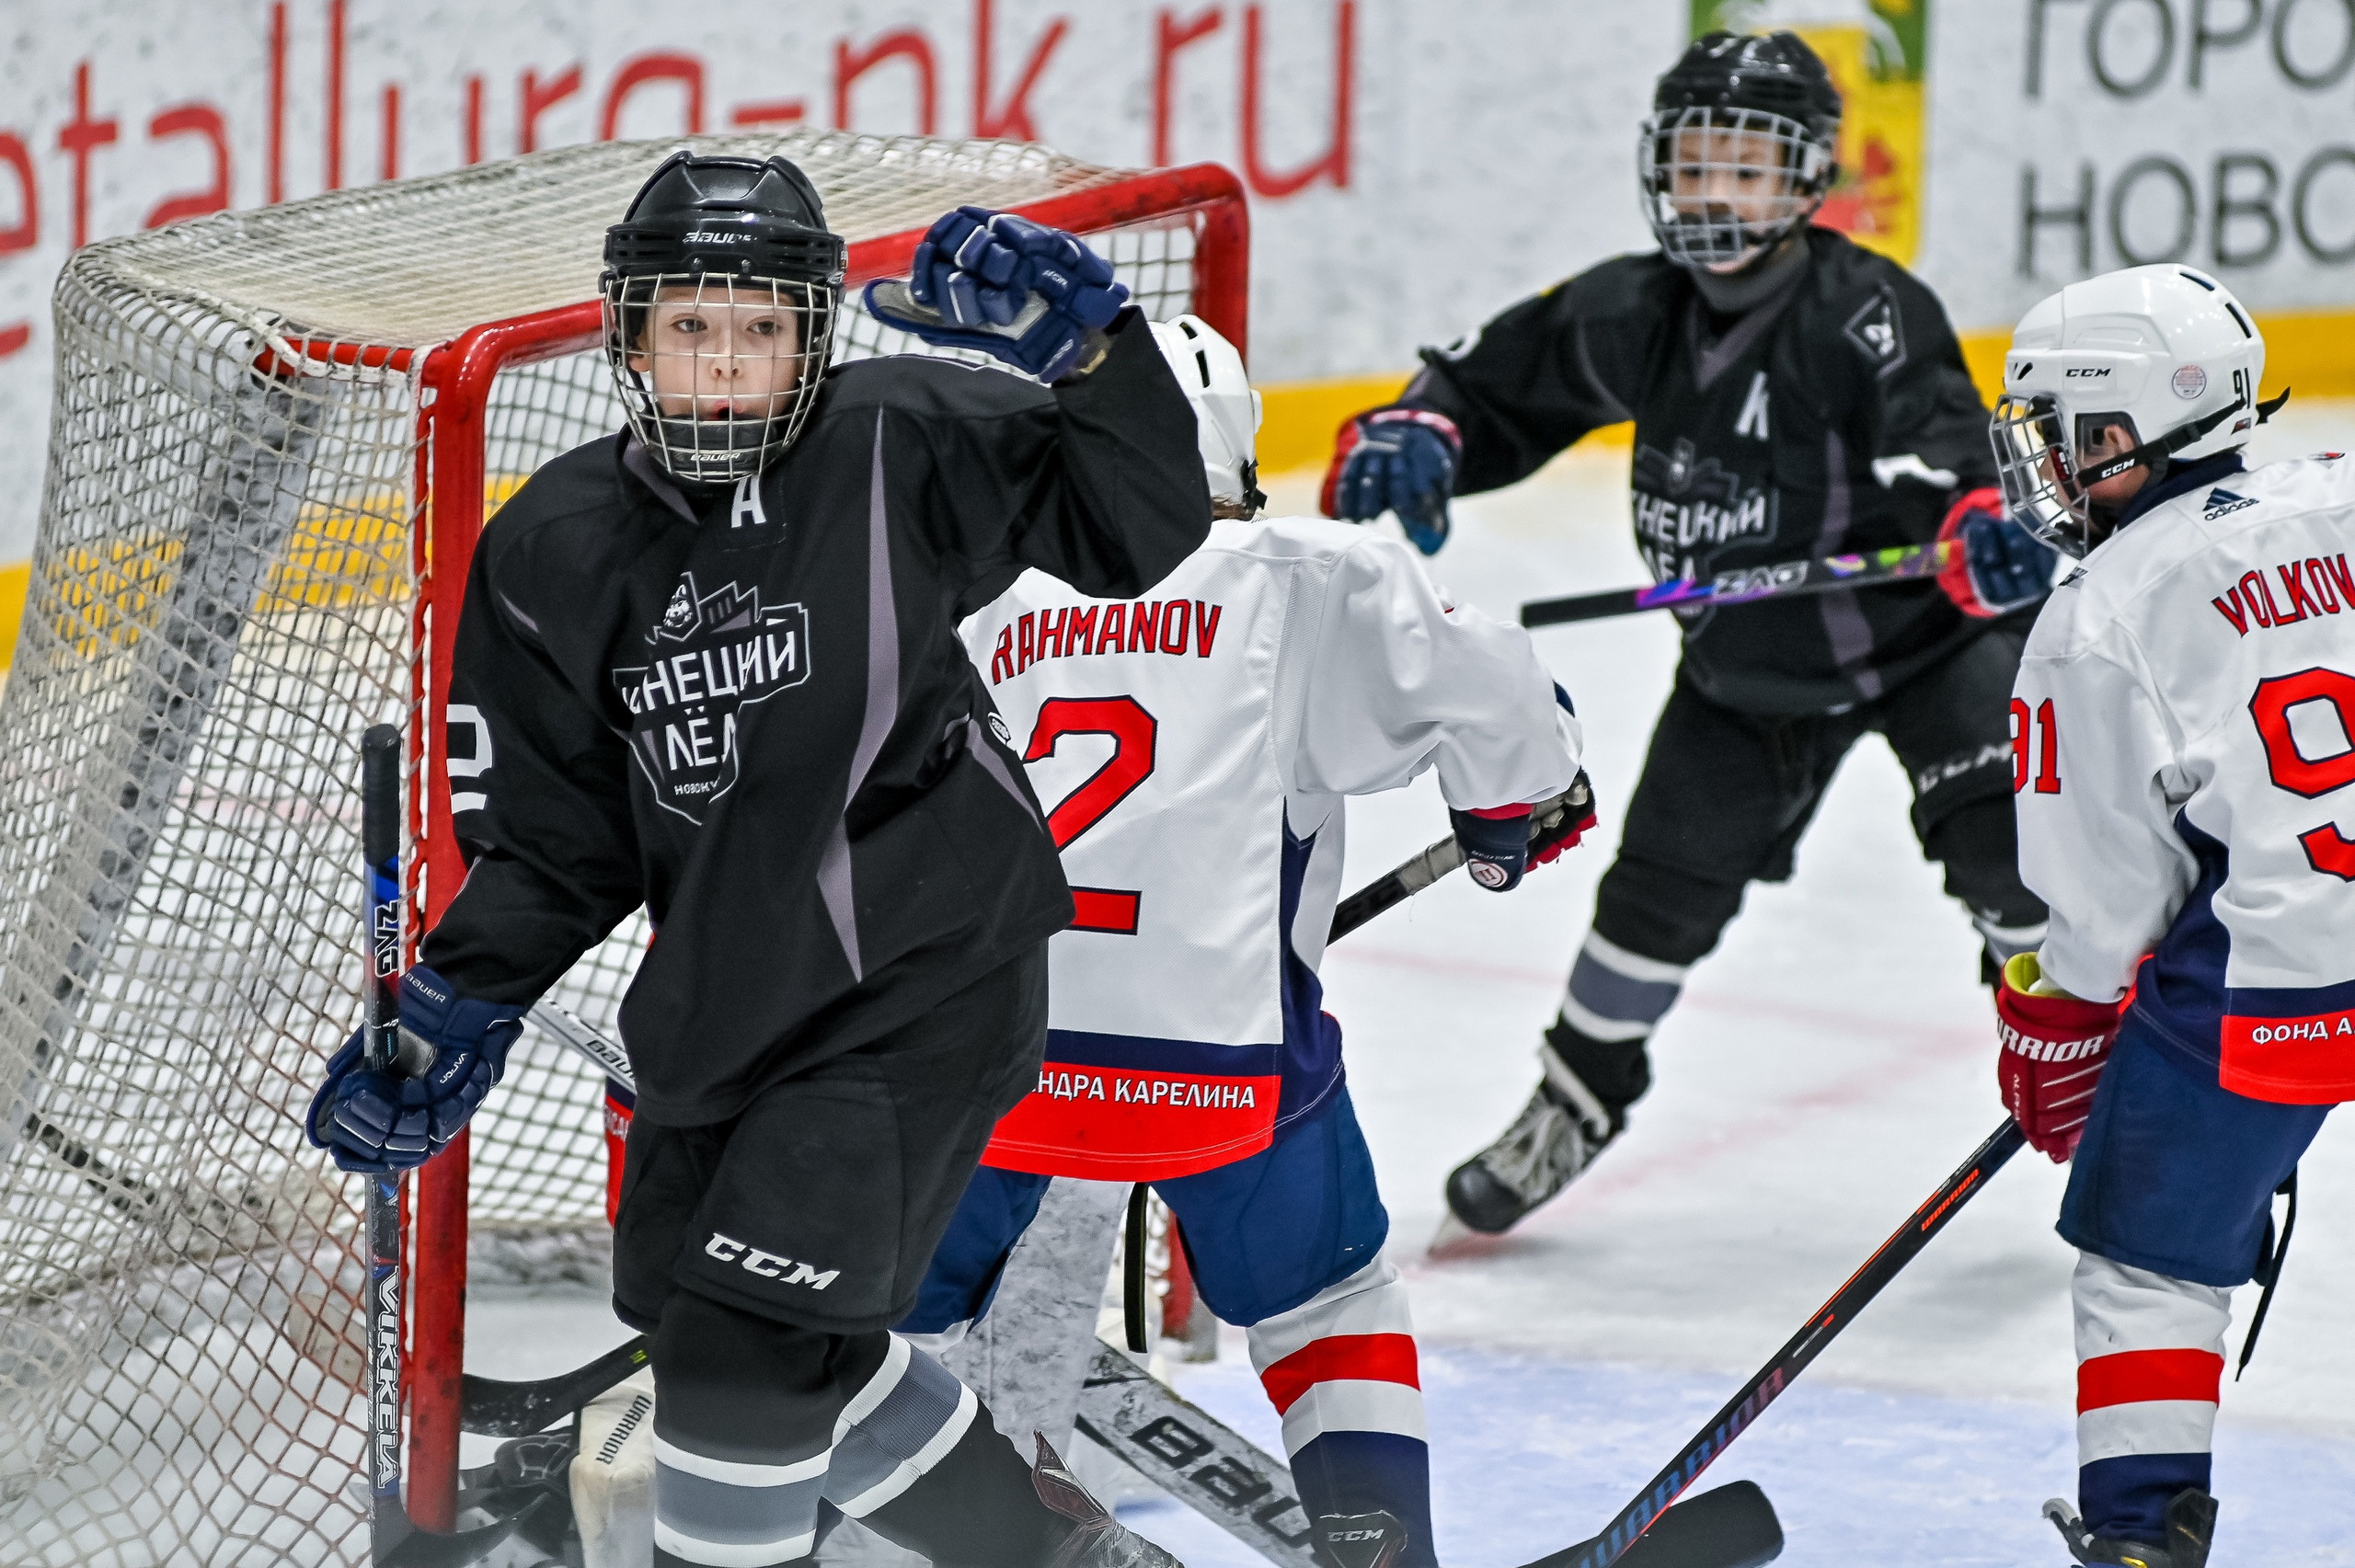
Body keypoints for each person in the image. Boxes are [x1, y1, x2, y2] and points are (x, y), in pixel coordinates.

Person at [304, 151, 1214, 1568]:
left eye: (762, 328)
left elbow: (1134, 528)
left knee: (742, 1352)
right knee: (711, 1318)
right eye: (691, 327)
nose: (726, 363)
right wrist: (456, 999)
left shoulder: (896, 438)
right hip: (734, 1000)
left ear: (813, 337)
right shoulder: (550, 547)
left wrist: (1097, 359)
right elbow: (558, 842)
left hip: (924, 973)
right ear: (630, 335)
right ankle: (1059, 1555)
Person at [1322, 30, 2060, 1240]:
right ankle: (1577, 1099)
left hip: (1928, 646)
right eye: (1698, 160)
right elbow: (1491, 384)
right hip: (1748, 668)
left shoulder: (1866, 312)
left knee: (2021, 871)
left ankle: (2089, 1055)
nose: (1717, 191)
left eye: (1750, 166)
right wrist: (1422, 432)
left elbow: (1950, 443)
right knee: (1649, 902)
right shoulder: (1633, 309)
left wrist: (1988, 517)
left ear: (1810, 178)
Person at [894, 315, 1591, 1568]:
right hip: (1227, 1079)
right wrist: (1507, 811)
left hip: (984, 1068)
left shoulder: (968, 584)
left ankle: (937, 1527)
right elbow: (1505, 704)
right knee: (1330, 1301)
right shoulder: (1302, 572)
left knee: (896, 1318)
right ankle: (1380, 1547)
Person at [1987, 264, 2338, 1568]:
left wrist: (2059, 1028)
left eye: (2068, 436)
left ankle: (2142, 1537)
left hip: (2274, 983)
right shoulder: (2345, 490)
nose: (2050, 469)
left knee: (2148, 1255)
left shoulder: (2097, 613)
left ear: (2129, 430)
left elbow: (2099, 913)